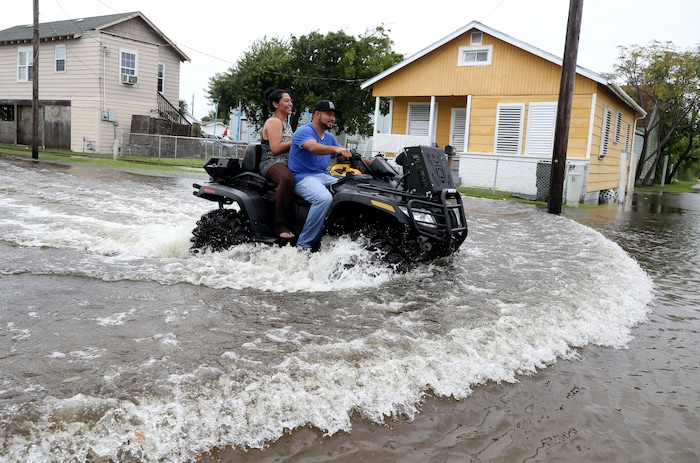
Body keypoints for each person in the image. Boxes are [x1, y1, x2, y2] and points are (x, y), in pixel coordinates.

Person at [288, 100, 352, 250]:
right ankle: (304, 245)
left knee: (352, 189)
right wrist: (337, 150)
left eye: (334, 115)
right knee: (323, 198)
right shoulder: (305, 131)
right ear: (317, 114)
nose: (332, 118)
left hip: (323, 175)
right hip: (302, 177)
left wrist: (366, 160)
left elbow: (341, 153)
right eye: (329, 114)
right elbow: (313, 147)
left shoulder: (329, 138)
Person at [259, 88, 296, 240]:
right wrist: (298, 142)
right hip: (271, 162)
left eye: (291, 101)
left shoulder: (287, 125)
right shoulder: (273, 122)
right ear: (275, 104)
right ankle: (280, 225)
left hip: (286, 162)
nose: (290, 104)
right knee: (286, 178)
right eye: (286, 101)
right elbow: (275, 148)